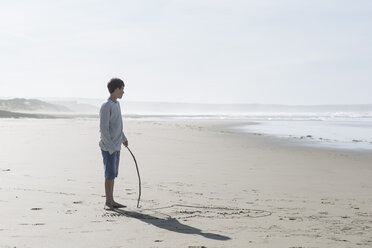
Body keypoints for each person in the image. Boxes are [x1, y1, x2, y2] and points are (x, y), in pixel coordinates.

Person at [99, 78, 128, 210]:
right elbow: (104, 129)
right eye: (122, 89)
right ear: (116, 90)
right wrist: (110, 148)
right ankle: (108, 202)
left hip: (116, 145)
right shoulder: (106, 105)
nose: (123, 92)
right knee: (109, 174)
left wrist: (123, 138)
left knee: (113, 174)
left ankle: (112, 200)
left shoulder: (117, 105)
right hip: (108, 147)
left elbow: (118, 126)